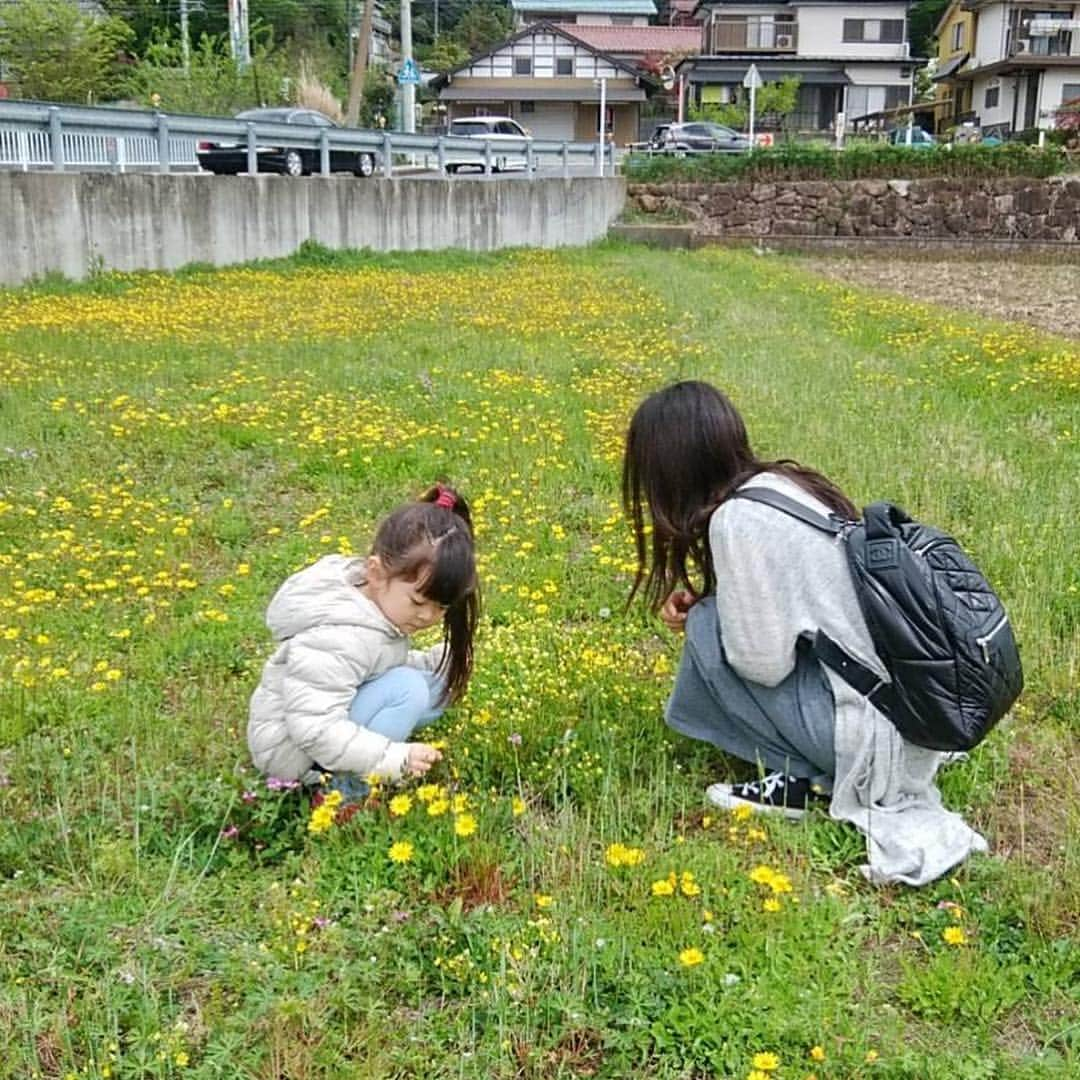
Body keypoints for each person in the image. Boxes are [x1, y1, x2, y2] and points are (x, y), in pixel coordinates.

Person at [623, 381, 987, 885]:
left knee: (711, 626)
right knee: (715, 616)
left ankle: (803, 777)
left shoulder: (735, 520)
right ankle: (809, 766)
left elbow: (762, 664)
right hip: (915, 719)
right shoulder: (783, 485)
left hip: (875, 747)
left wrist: (713, 615)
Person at [248, 485, 480, 800]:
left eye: (441, 608)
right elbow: (314, 727)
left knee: (439, 681)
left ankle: (364, 755)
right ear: (375, 573)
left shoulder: (379, 610)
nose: (428, 616)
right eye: (418, 602)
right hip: (292, 749)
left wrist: (432, 662)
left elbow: (375, 664)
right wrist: (393, 758)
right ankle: (343, 794)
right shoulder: (338, 635)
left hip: (330, 715)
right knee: (407, 690)